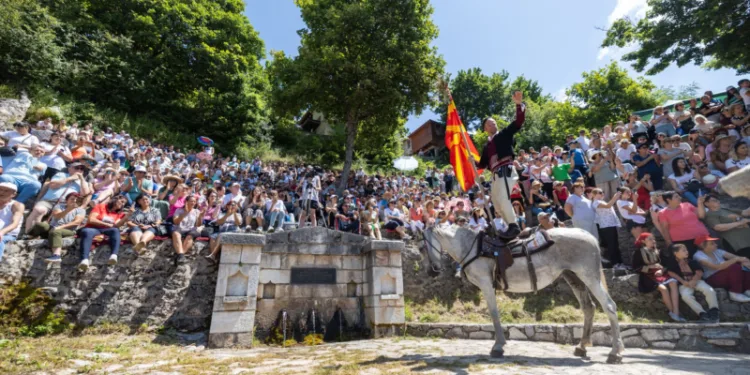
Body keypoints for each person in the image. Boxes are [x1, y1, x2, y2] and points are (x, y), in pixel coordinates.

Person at [477, 90, 526, 239]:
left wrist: (518, 105)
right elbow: (482, 164)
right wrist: (470, 161)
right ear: (485, 128)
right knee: (497, 204)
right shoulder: (486, 146)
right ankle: (509, 227)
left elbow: (518, 122)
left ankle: (514, 226)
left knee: (504, 198)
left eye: (494, 122)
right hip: (495, 175)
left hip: (505, 169)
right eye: (489, 123)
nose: (493, 123)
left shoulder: (504, 133)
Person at [25, 162, 91, 233]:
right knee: (39, 210)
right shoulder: (61, 175)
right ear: (69, 169)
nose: (79, 170)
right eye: (77, 168)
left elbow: (85, 193)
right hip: (49, 201)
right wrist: (70, 178)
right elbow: (53, 185)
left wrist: (81, 179)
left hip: (64, 205)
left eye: (82, 169)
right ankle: (29, 233)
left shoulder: (83, 182)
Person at [632, 233, 684, 322]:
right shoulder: (638, 252)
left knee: (673, 282)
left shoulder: (658, 251)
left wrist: (662, 270)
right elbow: (635, 267)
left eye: (653, 239)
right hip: (647, 275)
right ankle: (674, 313)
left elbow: (666, 264)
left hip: (661, 274)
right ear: (643, 241)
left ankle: (675, 311)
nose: (653, 241)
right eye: (650, 239)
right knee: (663, 289)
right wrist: (650, 267)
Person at [666, 243, 719, 323]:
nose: (686, 252)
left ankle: (714, 312)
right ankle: (702, 314)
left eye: (686, 250)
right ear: (675, 253)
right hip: (684, 284)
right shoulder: (672, 264)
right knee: (685, 296)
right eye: (683, 250)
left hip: (697, 281)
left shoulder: (691, 261)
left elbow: (699, 272)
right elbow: (671, 273)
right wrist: (683, 282)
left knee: (709, 290)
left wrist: (694, 281)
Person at [78, 195, 132, 271]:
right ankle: (84, 260)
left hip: (107, 230)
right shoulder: (100, 207)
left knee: (115, 231)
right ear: (115, 199)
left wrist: (128, 215)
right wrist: (106, 224)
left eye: (124, 203)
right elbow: (91, 220)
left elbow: (116, 225)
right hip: (93, 228)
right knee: (87, 232)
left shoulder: (119, 214)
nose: (123, 204)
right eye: (122, 201)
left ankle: (114, 255)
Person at [693, 235, 750, 303]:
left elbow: (738, 258)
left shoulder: (717, 251)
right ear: (702, 245)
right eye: (712, 243)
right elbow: (716, 267)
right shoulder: (698, 256)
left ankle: (748, 290)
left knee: (743, 266)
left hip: (726, 276)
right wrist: (736, 259)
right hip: (712, 278)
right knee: (735, 267)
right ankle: (735, 293)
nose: (716, 245)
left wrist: (745, 261)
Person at [32, 192, 85, 263]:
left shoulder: (81, 210)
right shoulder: (59, 206)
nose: (74, 201)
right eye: (72, 199)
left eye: (76, 200)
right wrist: (68, 209)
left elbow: (76, 222)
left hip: (69, 230)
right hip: (53, 227)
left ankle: (56, 255)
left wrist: (61, 227)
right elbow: (57, 216)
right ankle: (31, 237)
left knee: (56, 232)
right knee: (41, 225)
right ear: (67, 200)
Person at [658, 191, 709, 257]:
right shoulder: (663, 213)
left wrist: (700, 203)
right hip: (684, 242)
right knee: (694, 260)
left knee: (711, 255)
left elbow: (701, 216)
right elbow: (665, 229)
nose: (680, 197)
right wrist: (669, 243)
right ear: (668, 200)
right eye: (676, 196)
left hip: (702, 236)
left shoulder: (687, 205)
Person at [593, 189, 623, 268]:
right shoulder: (596, 202)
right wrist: (615, 197)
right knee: (612, 245)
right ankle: (615, 263)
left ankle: (619, 262)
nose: (602, 194)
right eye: (600, 192)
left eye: (603, 192)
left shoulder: (602, 201)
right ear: (594, 194)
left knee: (615, 244)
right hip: (606, 226)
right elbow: (608, 206)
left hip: (610, 225)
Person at [172, 195, 204, 264]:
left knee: (190, 236)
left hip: (191, 229)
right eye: (191, 201)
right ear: (186, 202)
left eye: (194, 201)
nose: (193, 203)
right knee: (175, 234)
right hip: (180, 228)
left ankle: (180, 255)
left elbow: (198, 225)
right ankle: (181, 255)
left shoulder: (196, 211)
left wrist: (200, 217)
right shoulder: (179, 210)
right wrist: (185, 213)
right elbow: (176, 222)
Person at [0, 183, 23, 260]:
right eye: (0, 189)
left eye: (6, 191)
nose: (2, 192)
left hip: (8, 234)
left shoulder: (16, 205)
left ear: (13, 194)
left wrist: (1, 232)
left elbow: (15, 224)